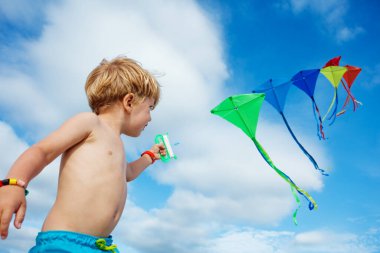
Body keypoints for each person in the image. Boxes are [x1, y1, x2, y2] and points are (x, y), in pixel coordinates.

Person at [0, 56, 165, 252]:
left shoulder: (118, 143)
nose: (150, 117)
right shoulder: (90, 123)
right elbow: (43, 151)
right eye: (150, 107)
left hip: (101, 245)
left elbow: (127, 173)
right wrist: (13, 184)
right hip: (65, 243)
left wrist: (150, 156)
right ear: (129, 101)